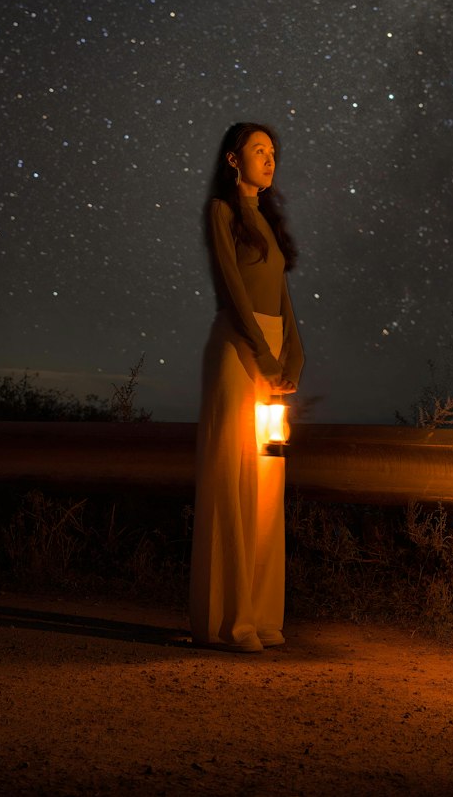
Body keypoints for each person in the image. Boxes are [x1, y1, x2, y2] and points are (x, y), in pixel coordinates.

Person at [189, 121, 305, 652]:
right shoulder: (222, 212)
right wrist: (261, 351)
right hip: (240, 349)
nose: (269, 157)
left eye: (273, 151)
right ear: (233, 159)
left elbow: (281, 296)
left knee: (268, 485)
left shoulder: (269, 221)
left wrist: (294, 354)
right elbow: (234, 290)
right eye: (258, 150)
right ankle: (226, 622)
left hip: (273, 350)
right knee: (235, 479)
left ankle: (261, 616)